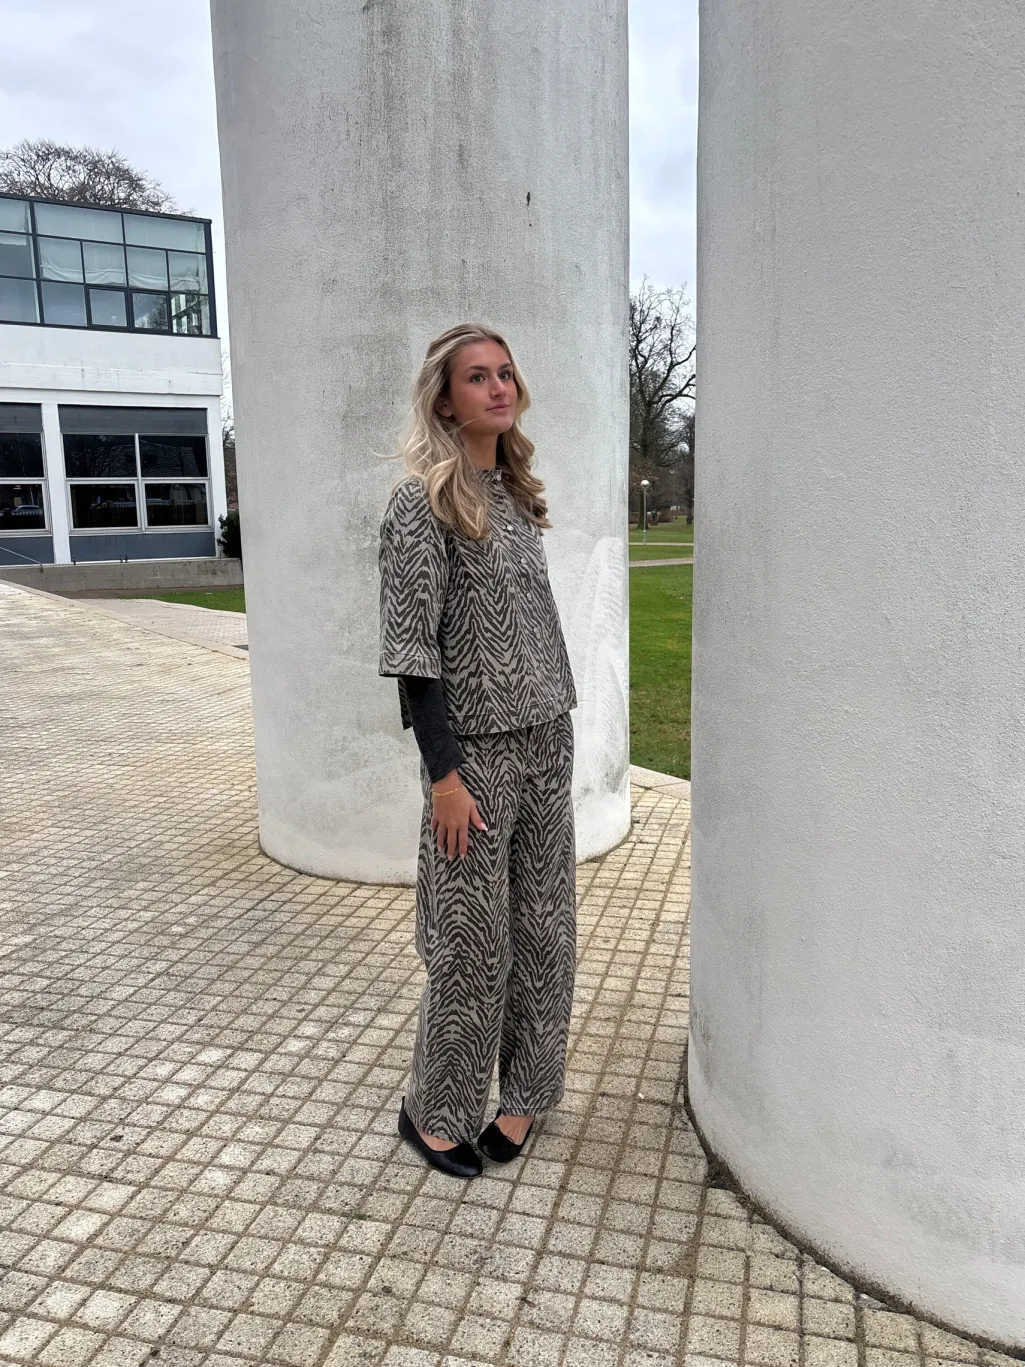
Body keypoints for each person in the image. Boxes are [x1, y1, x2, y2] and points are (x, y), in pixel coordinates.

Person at [378, 323, 578, 1179]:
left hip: (548, 738)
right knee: (469, 942)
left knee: (545, 929)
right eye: (476, 377)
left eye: (505, 373)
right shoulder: (420, 504)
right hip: (474, 757)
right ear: (444, 398)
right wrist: (444, 777)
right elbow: (412, 653)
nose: (498, 387)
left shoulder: (518, 498)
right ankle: (435, 1111)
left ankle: (524, 1096)